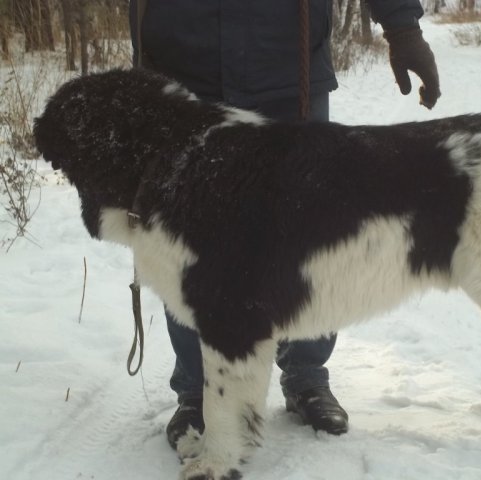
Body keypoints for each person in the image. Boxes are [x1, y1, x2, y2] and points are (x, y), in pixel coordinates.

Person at [128, 0, 440, 450]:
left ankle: (306, 373)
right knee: (185, 242)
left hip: (286, 66)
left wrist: (402, 27)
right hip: (179, 67)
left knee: (307, 235)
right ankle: (198, 392)